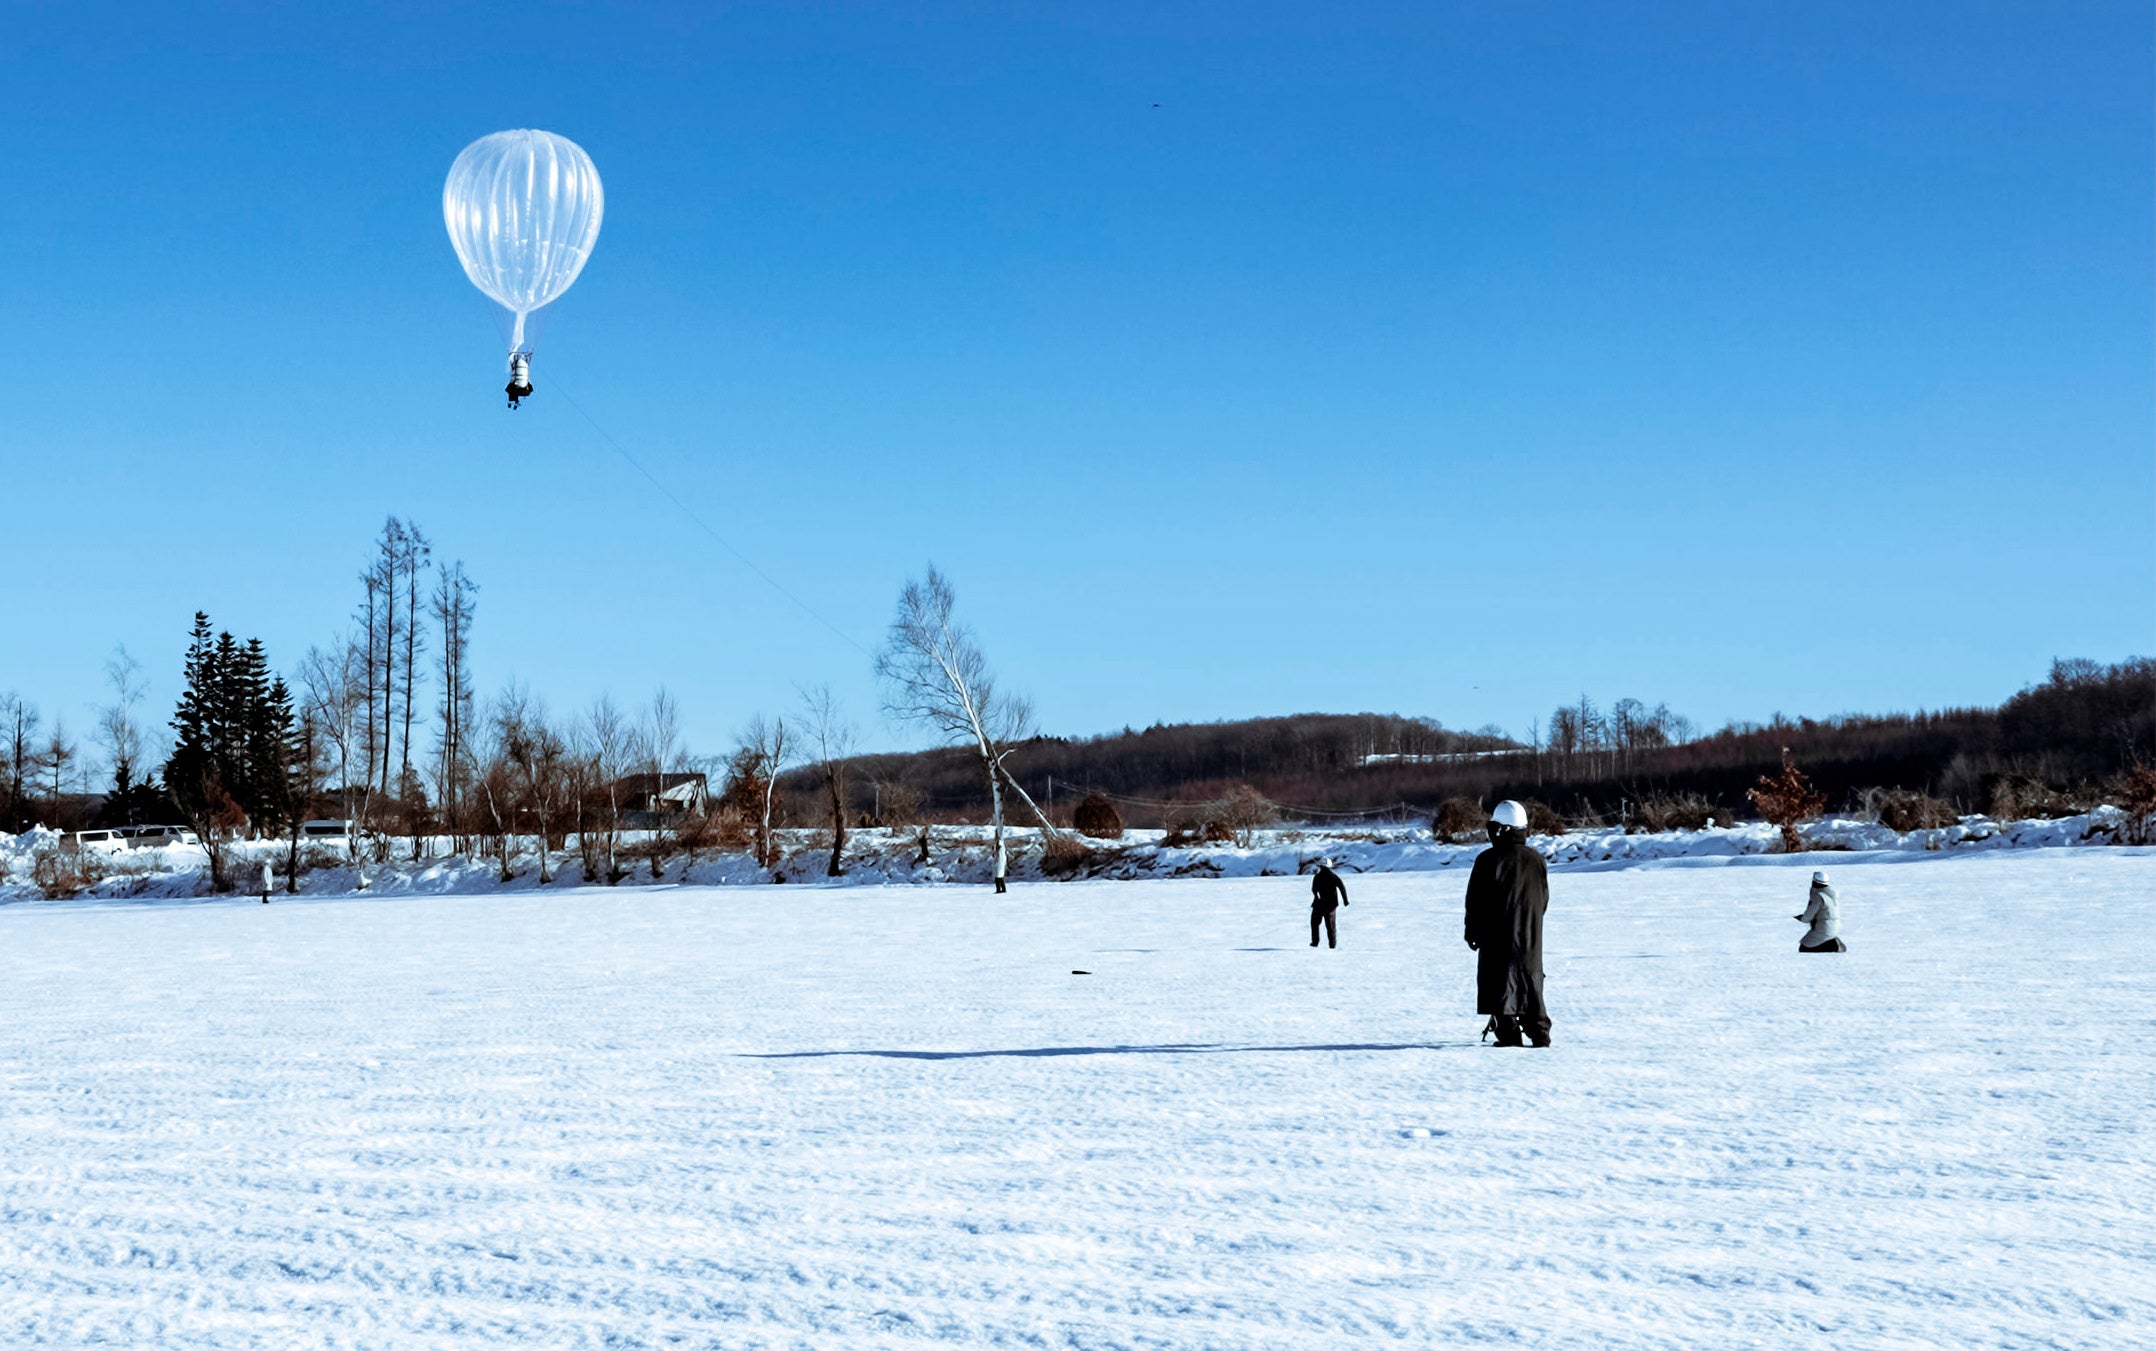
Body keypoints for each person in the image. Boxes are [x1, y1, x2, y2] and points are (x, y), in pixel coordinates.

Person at [1464, 800, 1550, 1047]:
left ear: (1502, 829)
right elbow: (1543, 899)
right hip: (1531, 937)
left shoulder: (1487, 860)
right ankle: (1540, 1033)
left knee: (1499, 984)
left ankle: (1509, 1034)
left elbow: (1475, 901)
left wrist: (1472, 931)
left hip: (1497, 938)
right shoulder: (1537, 860)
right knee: (1531, 983)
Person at [1796, 870, 1845, 952]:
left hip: (1824, 928)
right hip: (1834, 927)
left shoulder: (1818, 896)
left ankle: (1832, 945)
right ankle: (1832, 942)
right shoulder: (1831, 895)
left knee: (1804, 947)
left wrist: (1801, 918)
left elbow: (1807, 918)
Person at [1309, 858, 1349, 948]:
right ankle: (1332, 945)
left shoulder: (1317, 877)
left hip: (1319, 904)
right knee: (1330, 927)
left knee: (1315, 923)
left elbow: (1313, 890)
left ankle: (1315, 942)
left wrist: (1316, 896)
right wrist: (1345, 900)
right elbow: (1342, 887)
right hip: (1330, 905)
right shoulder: (1333, 876)